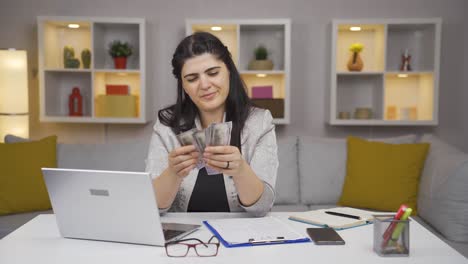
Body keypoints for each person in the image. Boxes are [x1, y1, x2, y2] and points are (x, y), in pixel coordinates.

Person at [145, 32, 278, 217]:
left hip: (241, 237)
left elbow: (262, 207)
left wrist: (240, 169)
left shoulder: (259, 122)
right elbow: (152, 207)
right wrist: (173, 173)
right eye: (192, 79)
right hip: (185, 240)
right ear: (183, 86)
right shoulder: (167, 125)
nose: (205, 85)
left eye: (213, 73)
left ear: (229, 71)